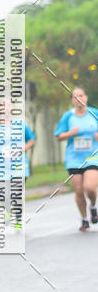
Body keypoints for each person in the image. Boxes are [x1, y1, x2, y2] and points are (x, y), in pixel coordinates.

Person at [0, 106, 36, 226]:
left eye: (8, 106)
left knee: (16, 192)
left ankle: (17, 217)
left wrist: (24, 148)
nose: (5, 109)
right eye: (2, 106)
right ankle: (9, 212)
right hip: (1, 167)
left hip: (19, 166)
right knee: (3, 193)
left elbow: (31, 139)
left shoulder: (20, 125)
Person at [54, 86, 98, 231]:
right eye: (75, 96)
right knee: (79, 191)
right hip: (74, 158)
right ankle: (84, 219)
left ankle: (93, 206)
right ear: (72, 100)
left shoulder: (94, 113)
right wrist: (70, 133)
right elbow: (58, 136)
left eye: (81, 95)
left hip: (93, 157)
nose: (79, 99)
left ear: (86, 97)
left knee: (90, 188)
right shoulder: (68, 116)